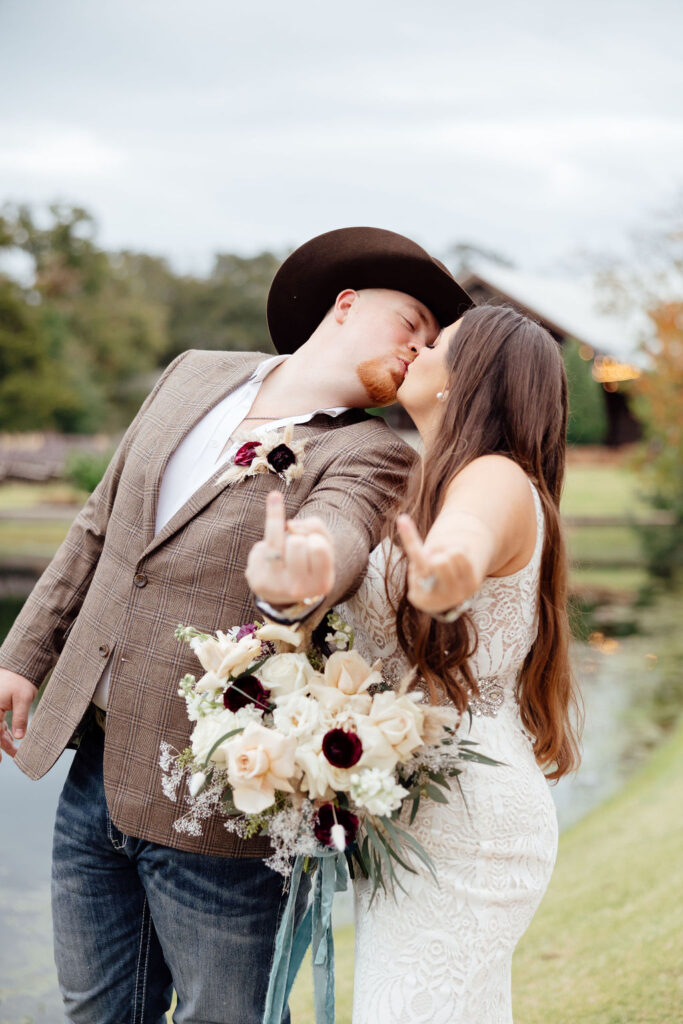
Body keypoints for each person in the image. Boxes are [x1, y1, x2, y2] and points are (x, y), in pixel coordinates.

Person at [0, 226, 474, 1024]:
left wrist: (304, 574)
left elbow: (341, 531)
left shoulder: (373, 454)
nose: (415, 353)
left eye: (433, 346)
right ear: (346, 305)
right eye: (410, 326)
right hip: (92, 769)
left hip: (220, 804)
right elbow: (99, 524)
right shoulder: (194, 375)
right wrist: (22, 656)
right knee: (94, 1014)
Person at [263, 303, 582, 1023]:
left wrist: (446, 579)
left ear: (465, 381)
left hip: (469, 825)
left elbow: (466, 541)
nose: (418, 349)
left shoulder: (494, 478)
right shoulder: (423, 479)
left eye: (437, 344)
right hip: (416, 814)